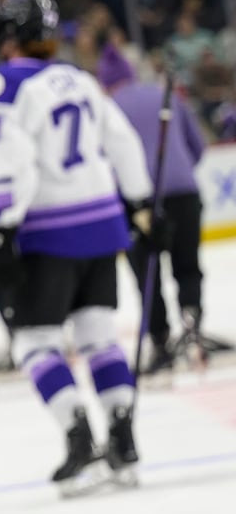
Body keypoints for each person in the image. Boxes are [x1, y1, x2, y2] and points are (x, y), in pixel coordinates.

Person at [0, 0, 156, 493]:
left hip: (48, 231)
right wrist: (141, 202)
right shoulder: (79, 78)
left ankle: (80, 441)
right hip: (103, 224)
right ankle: (123, 439)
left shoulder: (4, 83)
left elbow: (15, 161)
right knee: (98, 335)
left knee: (35, 342)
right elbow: (122, 143)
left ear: (10, 38)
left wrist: (1, 225)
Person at [95, 45, 211, 373]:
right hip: (184, 192)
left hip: (138, 202)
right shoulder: (165, 95)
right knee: (187, 266)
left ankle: (160, 342)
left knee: (147, 275)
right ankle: (192, 328)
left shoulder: (107, 107)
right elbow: (197, 147)